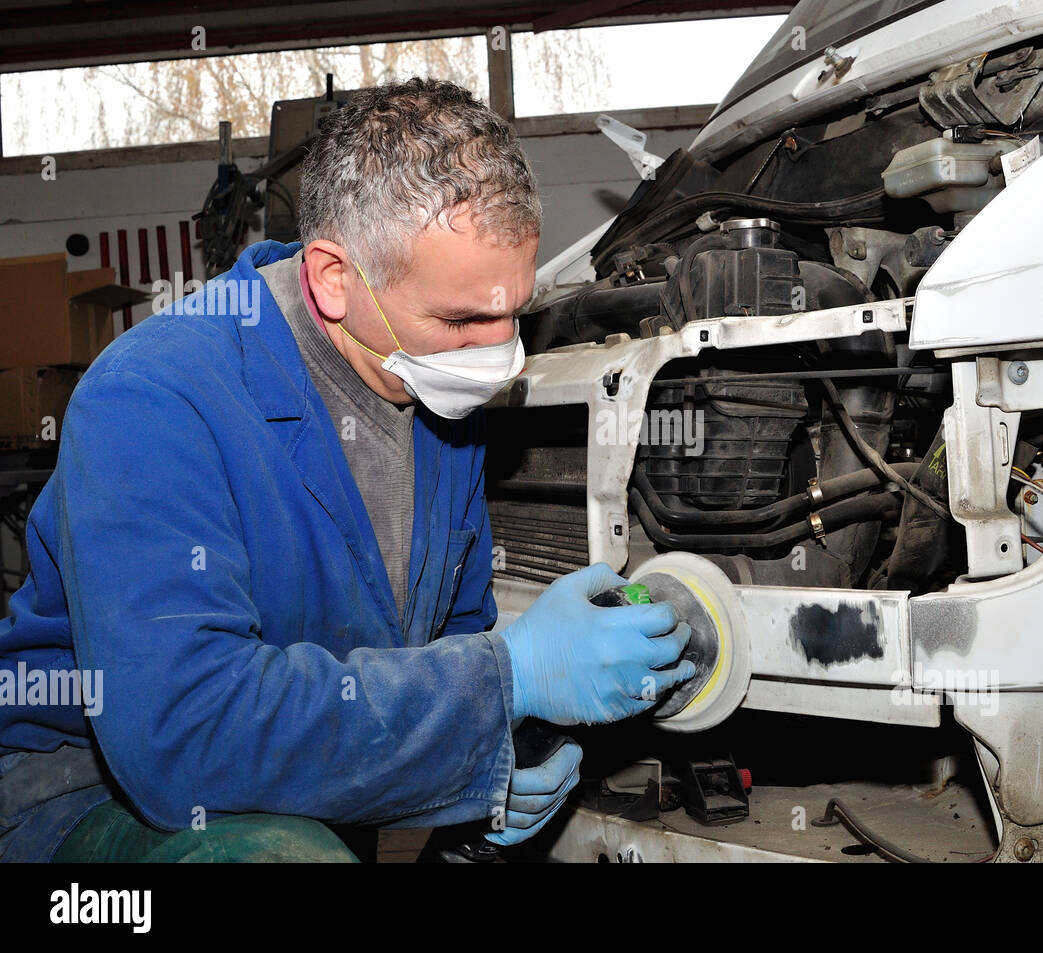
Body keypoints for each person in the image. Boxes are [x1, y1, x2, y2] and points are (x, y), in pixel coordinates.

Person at [0, 78, 694, 862]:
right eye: (463, 318)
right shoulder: (153, 400)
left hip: (309, 789)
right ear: (334, 278)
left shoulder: (435, 395)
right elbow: (183, 738)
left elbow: (449, 640)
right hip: (87, 798)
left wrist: (491, 763)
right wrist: (510, 679)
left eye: (515, 310)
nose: (502, 356)